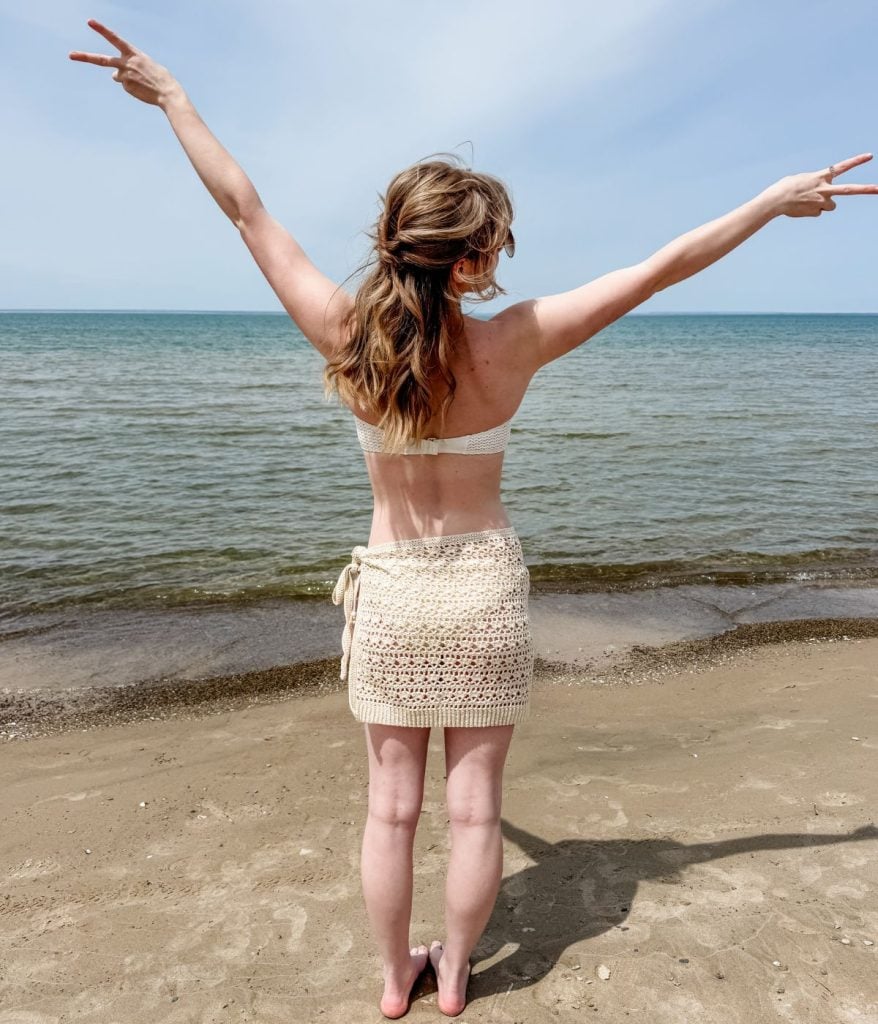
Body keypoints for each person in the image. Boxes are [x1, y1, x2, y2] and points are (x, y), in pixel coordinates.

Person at [70, 18, 877, 1019]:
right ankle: (454, 975)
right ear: (473, 258)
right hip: (484, 588)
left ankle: (390, 982)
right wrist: (769, 199)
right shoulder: (516, 341)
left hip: (397, 593)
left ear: (397, 243)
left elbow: (245, 209)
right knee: (473, 805)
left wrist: (175, 101)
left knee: (392, 807)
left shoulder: (343, 334)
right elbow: (665, 265)